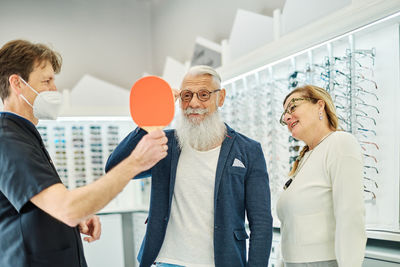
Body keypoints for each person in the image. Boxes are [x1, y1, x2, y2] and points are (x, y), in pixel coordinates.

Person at [0, 39, 168, 267]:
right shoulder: (8, 140)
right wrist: (135, 163)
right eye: (47, 80)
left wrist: (70, 218)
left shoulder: (24, 135)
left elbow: (43, 206)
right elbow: (68, 208)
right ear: (17, 83)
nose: (54, 90)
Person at [106, 65, 273, 267]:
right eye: (186, 96)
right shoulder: (164, 143)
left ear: (220, 98)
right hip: (168, 260)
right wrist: (149, 121)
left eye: (203, 95)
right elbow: (116, 167)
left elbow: (261, 223)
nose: (193, 103)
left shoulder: (248, 150)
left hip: (222, 261)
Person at [276, 85, 366, 267]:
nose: (286, 117)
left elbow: (350, 215)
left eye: (293, 107)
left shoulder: (340, 143)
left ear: (320, 106)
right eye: (284, 114)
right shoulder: (304, 159)